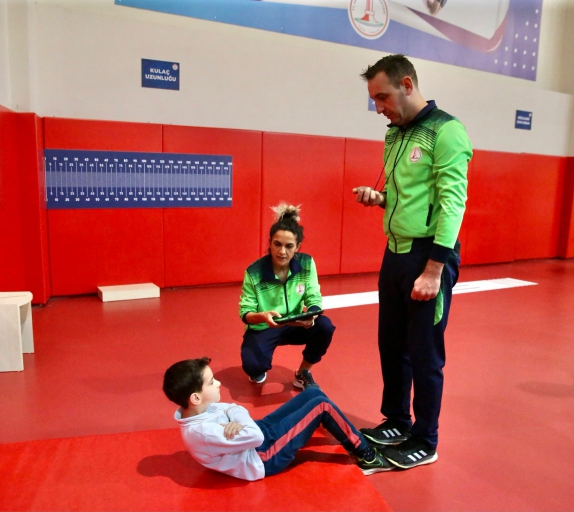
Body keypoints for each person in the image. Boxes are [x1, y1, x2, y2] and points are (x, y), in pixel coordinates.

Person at [353, 54, 472, 470]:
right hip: (395, 253)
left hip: (429, 256)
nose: (378, 107)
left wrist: (435, 269)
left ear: (407, 85)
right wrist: (380, 198)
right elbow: (408, 195)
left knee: (425, 353)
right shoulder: (394, 134)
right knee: (391, 344)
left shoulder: (446, 130)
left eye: (383, 97)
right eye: (374, 99)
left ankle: (425, 439)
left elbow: (453, 203)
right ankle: (397, 420)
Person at [162, 357, 393, 480]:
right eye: (212, 382)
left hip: (256, 436)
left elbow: (232, 408)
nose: (219, 383)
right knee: (321, 406)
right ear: (195, 397)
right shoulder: (202, 433)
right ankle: (367, 456)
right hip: (263, 457)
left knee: (312, 394)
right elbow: (254, 436)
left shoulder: (198, 410)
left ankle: (343, 431)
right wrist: (238, 419)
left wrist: (237, 419)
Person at [239, 204, 335, 389]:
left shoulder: (307, 263)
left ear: (297, 247)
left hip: (294, 324)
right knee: (253, 367)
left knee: (324, 326)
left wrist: (312, 314)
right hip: (264, 326)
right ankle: (258, 366)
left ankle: (303, 372)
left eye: (289, 246)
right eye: (277, 244)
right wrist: (263, 316)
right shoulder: (254, 272)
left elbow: (314, 296)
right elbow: (245, 312)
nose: (282, 251)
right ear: (270, 243)